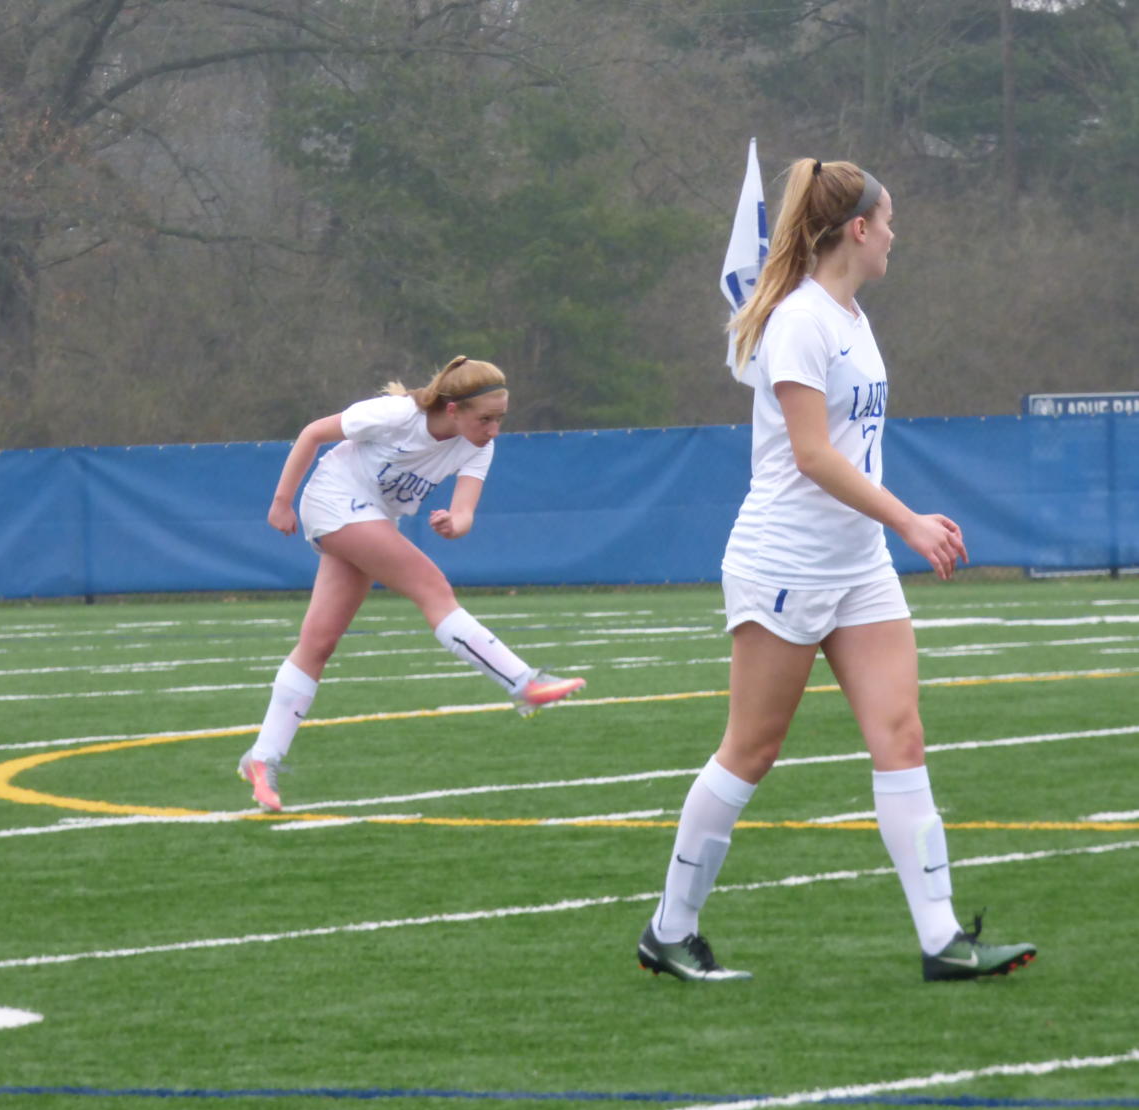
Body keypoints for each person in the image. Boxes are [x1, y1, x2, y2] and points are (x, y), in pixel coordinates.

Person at [636, 159, 1036, 984]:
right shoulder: (799, 321)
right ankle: (668, 931)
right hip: (782, 562)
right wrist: (908, 521)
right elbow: (813, 456)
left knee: (901, 737)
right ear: (857, 229)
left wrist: (888, 533)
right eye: (888, 221)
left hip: (857, 567)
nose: (896, 234)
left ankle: (941, 941)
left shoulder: (851, 315)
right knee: (751, 749)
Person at [237, 356, 586, 812]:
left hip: (374, 516)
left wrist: (453, 524)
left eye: (500, 419)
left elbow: (464, 513)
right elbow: (312, 434)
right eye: (486, 419)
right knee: (432, 587)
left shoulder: (478, 444)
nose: (494, 429)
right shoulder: (397, 415)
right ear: (453, 408)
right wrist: (281, 502)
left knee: (318, 644)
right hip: (333, 501)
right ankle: (522, 682)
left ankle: (262, 758)